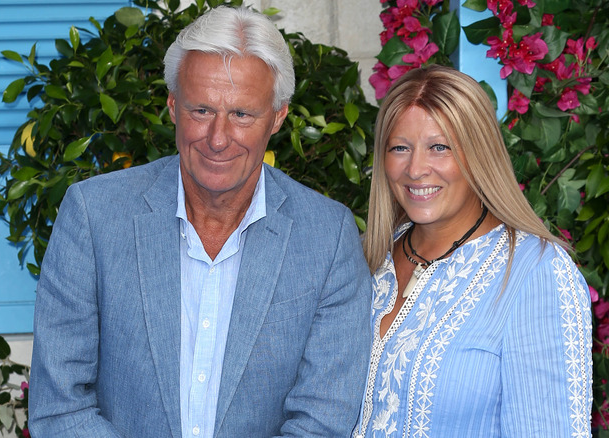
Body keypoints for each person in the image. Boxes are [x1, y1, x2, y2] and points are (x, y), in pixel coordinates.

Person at [28, 6, 371, 437]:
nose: (218, 138)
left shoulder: (327, 236)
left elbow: (322, 419)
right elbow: (59, 407)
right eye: (202, 110)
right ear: (173, 106)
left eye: (242, 114)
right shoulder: (93, 216)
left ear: (278, 117)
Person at [353, 64, 593, 437]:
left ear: (478, 153)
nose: (416, 169)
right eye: (400, 148)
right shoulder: (367, 258)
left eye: (439, 147)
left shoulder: (535, 271)